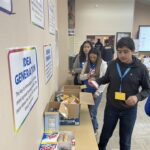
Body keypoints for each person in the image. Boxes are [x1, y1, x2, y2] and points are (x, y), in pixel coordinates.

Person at [89, 37, 150, 150]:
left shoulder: (141, 69)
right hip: (112, 107)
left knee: (125, 141)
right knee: (104, 137)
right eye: (119, 51)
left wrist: (137, 97)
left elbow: (147, 89)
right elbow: (106, 78)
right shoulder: (112, 64)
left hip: (129, 110)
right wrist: (96, 81)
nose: (122, 55)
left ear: (133, 51)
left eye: (125, 52)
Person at [80, 48, 107, 133]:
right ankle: (89, 128)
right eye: (90, 57)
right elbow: (80, 77)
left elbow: (105, 81)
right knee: (87, 111)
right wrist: (87, 75)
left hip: (97, 91)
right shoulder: (87, 63)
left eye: (94, 57)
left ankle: (94, 128)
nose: (92, 59)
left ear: (98, 57)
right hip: (87, 90)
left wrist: (97, 93)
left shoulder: (103, 64)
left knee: (93, 111)